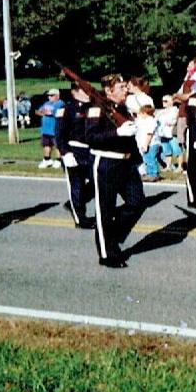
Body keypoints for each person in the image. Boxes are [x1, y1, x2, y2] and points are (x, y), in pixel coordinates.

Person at [84, 74, 146, 266]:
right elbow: (91, 137)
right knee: (105, 210)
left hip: (126, 164)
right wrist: (117, 132)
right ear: (109, 91)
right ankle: (107, 254)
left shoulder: (122, 109)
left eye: (125, 86)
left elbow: (129, 137)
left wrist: (137, 158)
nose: (126, 90)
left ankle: (112, 236)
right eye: (121, 87)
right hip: (105, 163)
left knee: (137, 202)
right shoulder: (97, 109)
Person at [56, 82, 99, 230]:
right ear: (75, 92)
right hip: (74, 151)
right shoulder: (67, 109)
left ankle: (73, 203)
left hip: (91, 151)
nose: (89, 93)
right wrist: (65, 153)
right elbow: (59, 135)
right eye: (84, 90)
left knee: (98, 182)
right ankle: (80, 219)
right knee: (77, 186)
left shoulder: (94, 107)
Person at [37, 88, 64, 168]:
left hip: (55, 128)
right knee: (46, 145)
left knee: (57, 145)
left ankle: (58, 160)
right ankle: (47, 160)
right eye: (49, 95)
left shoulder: (60, 103)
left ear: (57, 96)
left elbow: (54, 113)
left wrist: (46, 112)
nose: (49, 97)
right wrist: (45, 112)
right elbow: (39, 111)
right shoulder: (46, 103)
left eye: (52, 95)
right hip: (45, 129)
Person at [155, 95, 182, 173]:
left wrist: (166, 121)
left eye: (166, 101)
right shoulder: (161, 111)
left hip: (171, 133)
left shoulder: (175, 110)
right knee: (166, 150)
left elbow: (172, 121)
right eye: (163, 101)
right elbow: (156, 119)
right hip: (162, 133)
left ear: (171, 102)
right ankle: (168, 166)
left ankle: (180, 167)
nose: (163, 103)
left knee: (177, 150)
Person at [135, 103, 161, 182]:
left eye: (141, 113)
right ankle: (149, 173)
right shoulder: (144, 121)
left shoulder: (151, 121)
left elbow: (149, 134)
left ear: (145, 113)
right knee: (147, 158)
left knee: (150, 158)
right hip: (146, 143)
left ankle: (153, 174)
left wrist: (146, 144)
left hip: (151, 143)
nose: (140, 115)